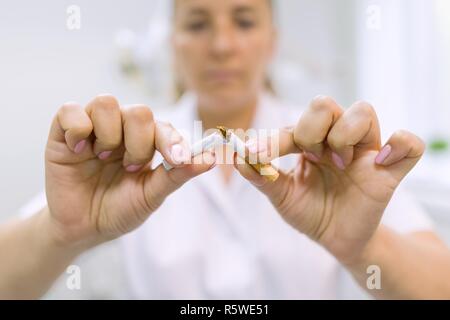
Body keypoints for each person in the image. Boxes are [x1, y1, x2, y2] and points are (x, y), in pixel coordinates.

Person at [1, 0, 450, 299]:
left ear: (271, 40)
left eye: (244, 20)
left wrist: (365, 249)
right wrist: (62, 233)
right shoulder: (119, 150)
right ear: (172, 43)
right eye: (197, 24)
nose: (222, 45)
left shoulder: (336, 148)